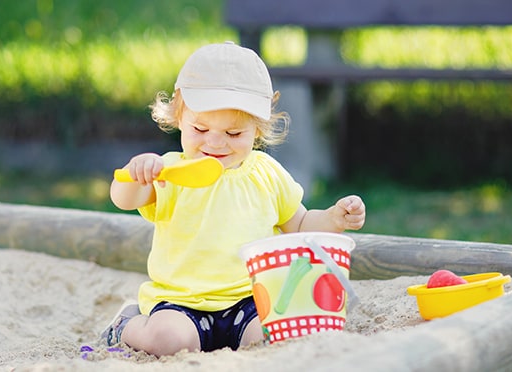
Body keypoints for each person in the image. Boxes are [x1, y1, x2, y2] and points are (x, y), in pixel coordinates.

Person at [102, 41, 366, 357]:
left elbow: (300, 224)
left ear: (258, 129)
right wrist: (136, 173)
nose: (215, 142)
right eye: (200, 128)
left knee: (274, 335)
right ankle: (126, 324)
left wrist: (335, 218)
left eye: (234, 134)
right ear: (179, 116)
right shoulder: (170, 171)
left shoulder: (266, 173)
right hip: (182, 302)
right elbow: (125, 199)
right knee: (168, 341)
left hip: (252, 298)